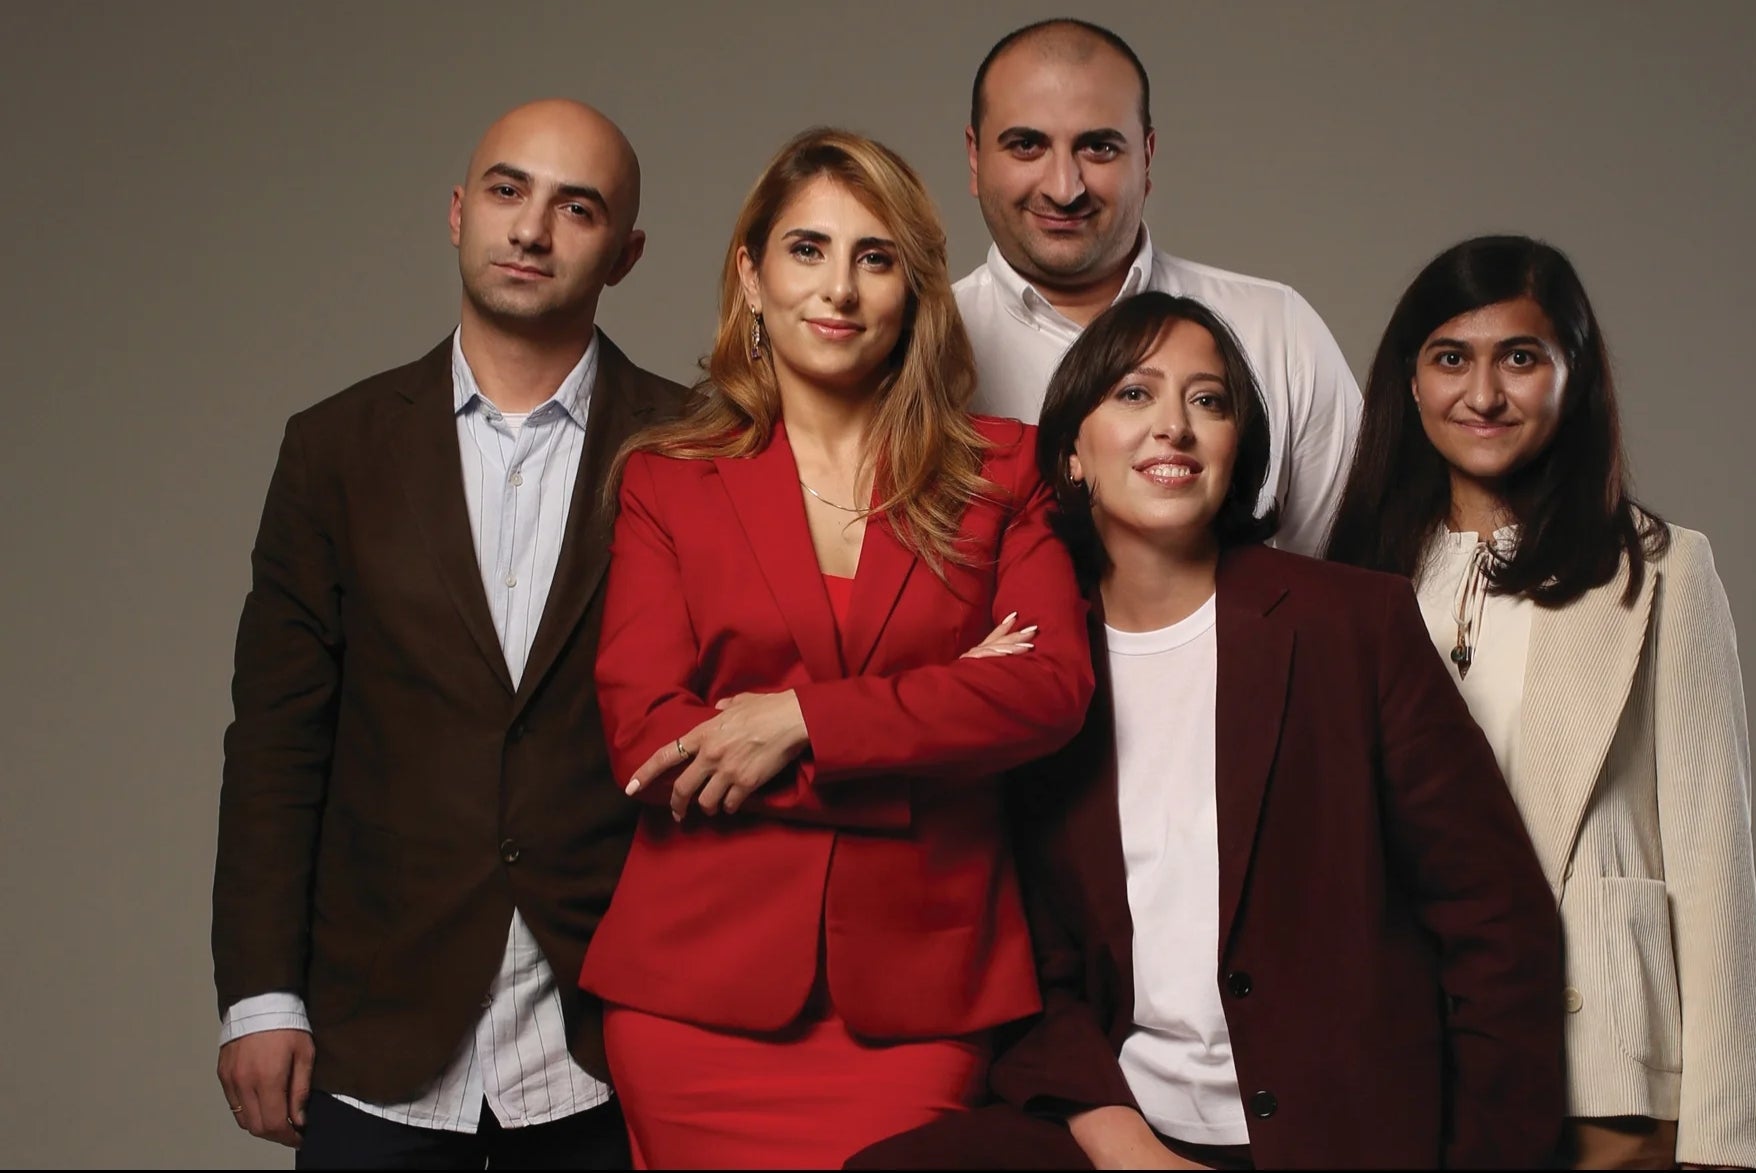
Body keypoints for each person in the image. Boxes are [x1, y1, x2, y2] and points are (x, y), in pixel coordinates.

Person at [854, 292, 1565, 1170]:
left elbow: (1498, 921)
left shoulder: (1352, 626)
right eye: (1134, 393)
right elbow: (1031, 961)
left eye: (1209, 399)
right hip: (1123, 1123)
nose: (1174, 426)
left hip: (1336, 1134)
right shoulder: (1038, 670)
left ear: (1238, 446)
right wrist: (1123, 1143)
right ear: (1071, 453)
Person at [581, 127, 1095, 1169]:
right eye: (807, 249)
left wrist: (797, 720)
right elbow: (648, 740)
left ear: (914, 289)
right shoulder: (668, 482)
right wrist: (934, 720)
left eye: (875, 257)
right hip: (692, 1002)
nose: (839, 289)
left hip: (920, 997)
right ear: (751, 274)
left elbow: (1049, 690)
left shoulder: (1005, 471)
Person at [212, 99, 687, 1168]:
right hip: (377, 1032)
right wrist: (260, 994)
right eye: (509, 191)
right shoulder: (334, 450)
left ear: (625, 254)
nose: (532, 229)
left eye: (577, 208)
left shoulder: (693, 448)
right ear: (459, 211)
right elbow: (277, 740)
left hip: (613, 1039)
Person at [1324, 235, 1756, 1170]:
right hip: (1404, 1065)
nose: (1483, 394)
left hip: (1602, 1066)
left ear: (1575, 376)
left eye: (1520, 358)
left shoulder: (1660, 570)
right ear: (1410, 380)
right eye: (1452, 358)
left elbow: (1715, 861)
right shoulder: (1351, 582)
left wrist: (1728, 1139)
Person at [952, 17, 1362, 556]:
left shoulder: (1278, 330)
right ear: (975, 157)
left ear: (1147, 157)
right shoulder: (916, 351)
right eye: (1027, 145)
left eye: (1099, 148)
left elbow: (1358, 573)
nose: (1064, 188)